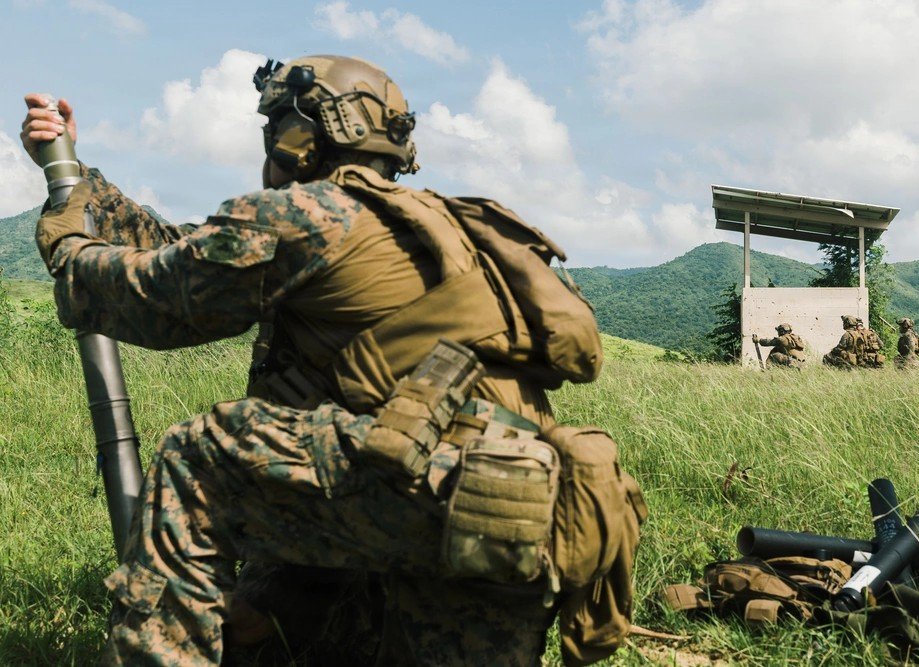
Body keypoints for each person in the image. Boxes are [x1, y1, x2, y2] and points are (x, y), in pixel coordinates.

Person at [22, 55, 644, 666]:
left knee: (200, 455)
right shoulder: (440, 231)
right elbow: (191, 252)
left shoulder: (306, 216)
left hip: (423, 494)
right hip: (519, 512)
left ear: (301, 140)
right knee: (286, 623)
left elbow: (153, 297)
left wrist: (69, 239)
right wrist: (75, 172)